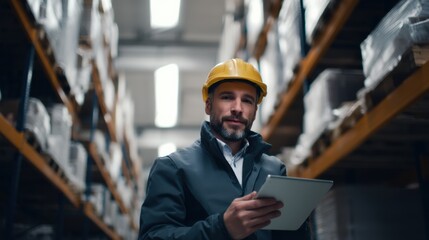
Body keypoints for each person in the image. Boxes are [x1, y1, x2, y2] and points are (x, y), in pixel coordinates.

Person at [138, 58, 309, 240]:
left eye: (247, 100)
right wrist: (221, 228)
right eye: (227, 97)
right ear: (209, 105)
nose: (237, 108)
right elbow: (153, 237)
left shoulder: (274, 169)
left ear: (255, 112)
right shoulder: (172, 168)